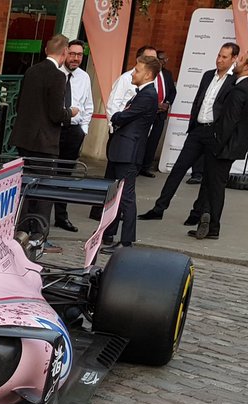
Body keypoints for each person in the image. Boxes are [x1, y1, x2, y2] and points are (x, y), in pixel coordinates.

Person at [140, 43, 238, 223]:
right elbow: (200, 99)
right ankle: (159, 208)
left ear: (234, 59)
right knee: (178, 169)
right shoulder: (208, 75)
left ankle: (196, 213)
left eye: (224, 57)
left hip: (214, 133)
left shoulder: (234, 81)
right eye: (219, 55)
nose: (219, 59)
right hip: (197, 130)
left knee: (207, 176)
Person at [190, 49, 248, 240]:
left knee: (214, 186)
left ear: (247, 66)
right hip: (235, 146)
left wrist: (215, 145)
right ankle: (205, 220)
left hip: (223, 147)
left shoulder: (240, 89)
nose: (236, 62)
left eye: (240, 60)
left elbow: (228, 122)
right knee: (213, 184)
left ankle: (212, 226)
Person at [10, 34, 80, 225]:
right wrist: (70, 113)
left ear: (46, 50)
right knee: (43, 191)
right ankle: (38, 232)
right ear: (65, 52)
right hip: (44, 142)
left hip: (23, 137)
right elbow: (56, 114)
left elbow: (19, 104)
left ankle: (21, 226)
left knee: (23, 185)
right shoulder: (58, 76)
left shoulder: (31, 71)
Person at [100, 57, 161, 251]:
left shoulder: (148, 95)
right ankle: (110, 233)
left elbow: (123, 116)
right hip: (123, 150)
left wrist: (119, 115)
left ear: (148, 74)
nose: (133, 74)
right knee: (117, 195)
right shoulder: (142, 93)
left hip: (129, 151)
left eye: (137, 70)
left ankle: (126, 240)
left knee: (126, 197)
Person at [90, 46, 157, 220]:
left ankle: (117, 227)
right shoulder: (126, 79)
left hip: (131, 142)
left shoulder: (148, 92)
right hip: (120, 134)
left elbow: (133, 114)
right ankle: (104, 217)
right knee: (112, 183)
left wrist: (123, 116)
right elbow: (113, 105)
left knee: (123, 191)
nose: (135, 72)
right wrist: (116, 122)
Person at [53, 40, 93, 232]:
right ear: (65, 53)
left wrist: (83, 129)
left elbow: (88, 105)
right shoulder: (55, 74)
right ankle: (39, 216)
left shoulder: (84, 77)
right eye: (72, 54)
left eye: (80, 55)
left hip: (74, 132)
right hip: (54, 129)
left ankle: (61, 216)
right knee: (46, 172)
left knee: (65, 175)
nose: (76, 58)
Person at [140, 50, 177, 176]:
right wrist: (154, 105)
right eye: (161, 59)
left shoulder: (167, 74)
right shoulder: (148, 74)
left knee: (153, 141)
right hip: (147, 112)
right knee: (142, 139)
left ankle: (146, 167)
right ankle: (136, 165)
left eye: (165, 60)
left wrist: (167, 103)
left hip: (160, 115)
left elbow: (172, 91)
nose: (164, 62)